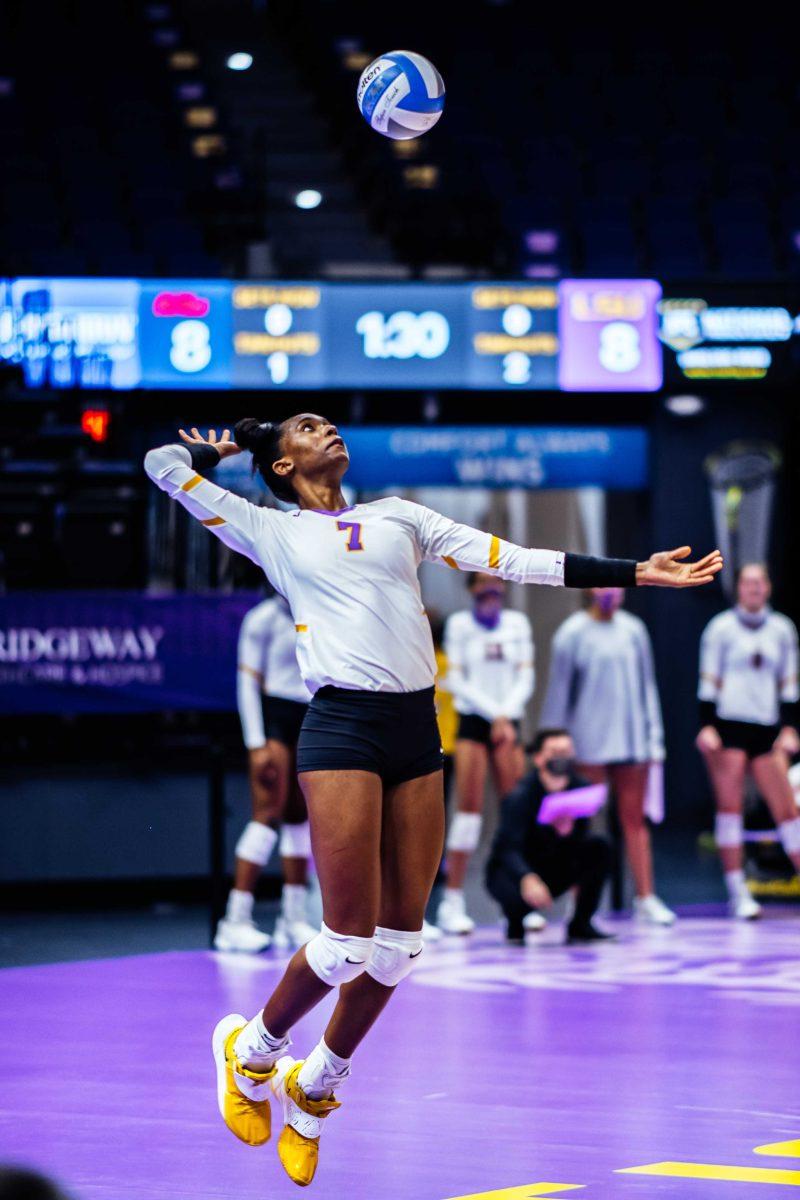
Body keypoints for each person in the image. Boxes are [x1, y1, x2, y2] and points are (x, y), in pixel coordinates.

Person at [144, 415, 721, 1187]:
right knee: (346, 942)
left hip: (415, 727)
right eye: (310, 429)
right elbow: (159, 463)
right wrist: (221, 447)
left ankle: (314, 1088)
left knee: (400, 948)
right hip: (342, 724)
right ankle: (249, 1052)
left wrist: (635, 572)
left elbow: (513, 558)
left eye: (330, 422)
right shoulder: (266, 526)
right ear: (282, 464)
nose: (331, 430)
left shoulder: (398, 516)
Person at [541, 587, 675, 926]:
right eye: (602, 585)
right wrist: (553, 744)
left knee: (635, 821)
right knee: (582, 824)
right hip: (588, 745)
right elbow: (558, 693)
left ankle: (645, 898)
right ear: (589, 590)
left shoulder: (634, 630)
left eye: (614, 586)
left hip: (632, 744)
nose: (609, 592)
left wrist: (653, 738)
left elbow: (647, 688)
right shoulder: (571, 634)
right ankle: (580, 905)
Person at [214, 591, 317, 954]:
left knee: (299, 817)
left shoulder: (316, 607)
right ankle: (234, 920)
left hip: (308, 713)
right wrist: (256, 743)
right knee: (267, 814)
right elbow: (247, 682)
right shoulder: (262, 618)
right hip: (273, 716)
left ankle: (293, 918)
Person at [696, 562, 800, 919]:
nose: (754, 588)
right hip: (728, 725)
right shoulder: (720, 628)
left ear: (768, 588)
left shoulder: (783, 629)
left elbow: (789, 683)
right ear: (738, 588)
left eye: (759, 582)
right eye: (747, 582)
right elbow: (708, 680)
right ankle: (737, 891)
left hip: (767, 727)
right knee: (730, 809)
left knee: (788, 811)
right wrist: (707, 725)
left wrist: (789, 728)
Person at [437, 574, 533, 934]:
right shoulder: (460, 625)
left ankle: (520, 902)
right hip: (475, 723)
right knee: (468, 813)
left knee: (516, 810)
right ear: (471, 589)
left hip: (508, 722)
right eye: (484, 584)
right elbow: (457, 679)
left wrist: (505, 715)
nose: (492, 590)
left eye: (497, 583)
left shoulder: (517, 624)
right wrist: (495, 715)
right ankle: (452, 901)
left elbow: (525, 677)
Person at [486, 728, 614, 944]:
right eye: (554, 752)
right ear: (538, 758)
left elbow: (581, 841)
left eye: (566, 751)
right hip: (517, 870)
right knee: (513, 888)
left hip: (555, 864)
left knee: (600, 846)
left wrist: (567, 832)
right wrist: (526, 877)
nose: (561, 758)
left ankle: (581, 923)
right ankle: (514, 921)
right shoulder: (521, 795)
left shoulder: (580, 788)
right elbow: (508, 847)